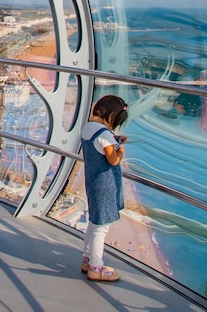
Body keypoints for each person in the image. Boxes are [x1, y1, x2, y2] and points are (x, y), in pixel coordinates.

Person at [80, 94, 130, 282]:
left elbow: (99, 142)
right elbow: (113, 159)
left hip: (93, 182)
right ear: (112, 117)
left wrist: (114, 139)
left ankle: (87, 259)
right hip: (105, 185)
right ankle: (96, 267)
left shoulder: (88, 127)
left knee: (94, 223)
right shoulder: (105, 135)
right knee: (101, 229)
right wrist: (121, 150)